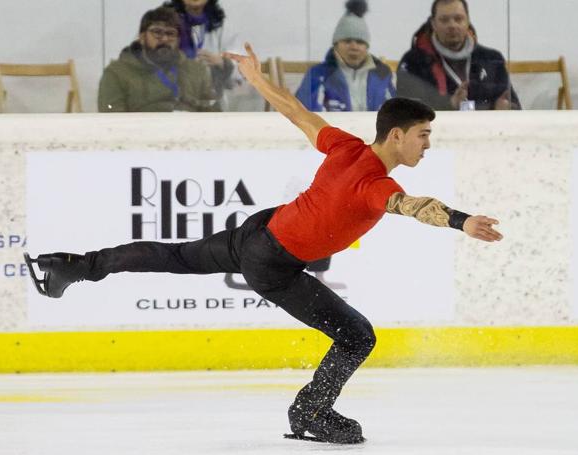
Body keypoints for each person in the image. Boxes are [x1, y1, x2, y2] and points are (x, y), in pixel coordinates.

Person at [25, 43, 503, 444]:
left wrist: (254, 77)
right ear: (396, 136)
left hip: (259, 230)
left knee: (174, 256)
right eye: (423, 136)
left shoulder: (345, 147)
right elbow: (412, 205)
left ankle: (74, 266)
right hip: (274, 264)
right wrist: (462, 222)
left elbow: (296, 111)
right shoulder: (373, 183)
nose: (427, 145)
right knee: (358, 336)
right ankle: (310, 413)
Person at [397, 0, 521, 111]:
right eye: (444, 20)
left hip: (490, 133)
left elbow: (514, 106)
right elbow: (405, 114)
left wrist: (505, 109)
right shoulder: (413, 62)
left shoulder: (492, 59)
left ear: (467, 21)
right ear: (433, 24)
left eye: (458, 19)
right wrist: (449, 105)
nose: (452, 25)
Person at [98, 6, 218, 112]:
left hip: (191, 134)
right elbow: (111, 122)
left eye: (171, 33)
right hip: (141, 134)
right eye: (157, 32)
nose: (164, 39)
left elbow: (214, 114)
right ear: (142, 37)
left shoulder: (196, 70)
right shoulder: (117, 73)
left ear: (179, 40)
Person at [296, 0, 395, 112]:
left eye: (360, 42)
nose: (354, 47)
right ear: (336, 45)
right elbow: (302, 114)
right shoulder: (317, 75)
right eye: (348, 41)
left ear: (367, 47)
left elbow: (397, 114)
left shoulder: (382, 74)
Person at [162, 0, 243, 111]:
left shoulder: (221, 24)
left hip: (211, 104)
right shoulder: (161, 21)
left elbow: (241, 67)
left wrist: (222, 62)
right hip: (168, 103)